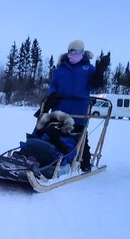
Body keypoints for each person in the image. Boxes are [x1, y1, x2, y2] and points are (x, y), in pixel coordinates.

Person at [45, 39, 109, 171]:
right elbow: (53, 85)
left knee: (79, 135)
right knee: (54, 132)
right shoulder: (60, 69)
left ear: (83, 53)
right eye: (72, 51)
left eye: (78, 52)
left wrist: (99, 73)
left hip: (79, 108)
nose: (75, 54)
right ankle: (49, 158)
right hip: (60, 106)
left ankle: (85, 162)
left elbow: (94, 87)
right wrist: (52, 96)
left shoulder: (88, 69)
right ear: (68, 52)